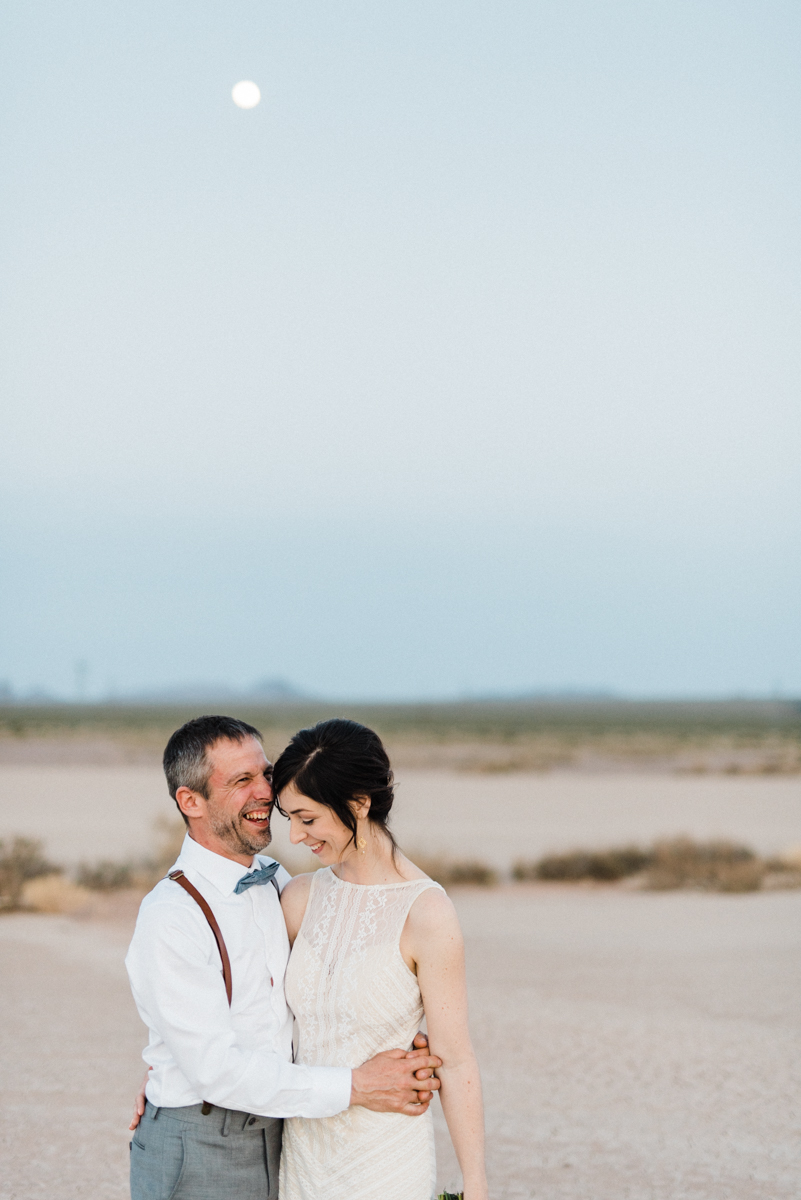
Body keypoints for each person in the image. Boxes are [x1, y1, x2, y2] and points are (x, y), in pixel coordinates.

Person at [125, 715, 441, 1200]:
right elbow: (215, 1071)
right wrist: (356, 1085)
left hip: (285, 1135)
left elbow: (333, 976)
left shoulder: (278, 881)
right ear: (190, 801)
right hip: (202, 1142)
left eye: (266, 774)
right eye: (241, 781)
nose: (266, 794)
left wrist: (398, 1028)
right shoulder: (170, 916)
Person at [274, 717, 489, 1200]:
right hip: (303, 1157)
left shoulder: (427, 912)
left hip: (385, 1160)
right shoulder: (299, 898)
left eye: (307, 819)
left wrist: (475, 1183)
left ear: (358, 804)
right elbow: (248, 1014)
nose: (293, 836)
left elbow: (454, 1059)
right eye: (287, 817)